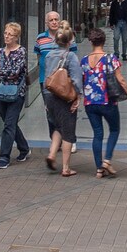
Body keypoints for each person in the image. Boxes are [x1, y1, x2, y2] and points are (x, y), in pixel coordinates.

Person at [79, 29, 127, 178]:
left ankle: (99, 169)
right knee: (114, 130)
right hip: (107, 101)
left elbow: (81, 80)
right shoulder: (110, 58)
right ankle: (107, 160)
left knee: (97, 134)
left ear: (91, 42)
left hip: (90, 102)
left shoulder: (84, 60)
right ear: (104, 41)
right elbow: (121, 80)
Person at [41, 20, 84, 176]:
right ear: (70, 40)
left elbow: (47, 78)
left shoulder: (49, 56)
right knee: (68, 131)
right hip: (64, 97)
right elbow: (76, 80)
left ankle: (52, 154)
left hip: (50, 95)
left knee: (57, 127)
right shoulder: (71, 56)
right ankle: (66, 168)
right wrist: (78, 97)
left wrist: (46, 100)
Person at [0, 22, 31, 168]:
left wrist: (2, 73)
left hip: (17, 93)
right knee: (10, 123)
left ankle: (4, 157)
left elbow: (15, 72)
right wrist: (6, 73)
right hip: (2, 93)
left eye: (10, 34)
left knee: (8, 124)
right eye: (5, 33)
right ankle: (24, 148)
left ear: (16, 37)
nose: (7, 36)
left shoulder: (21, 52)